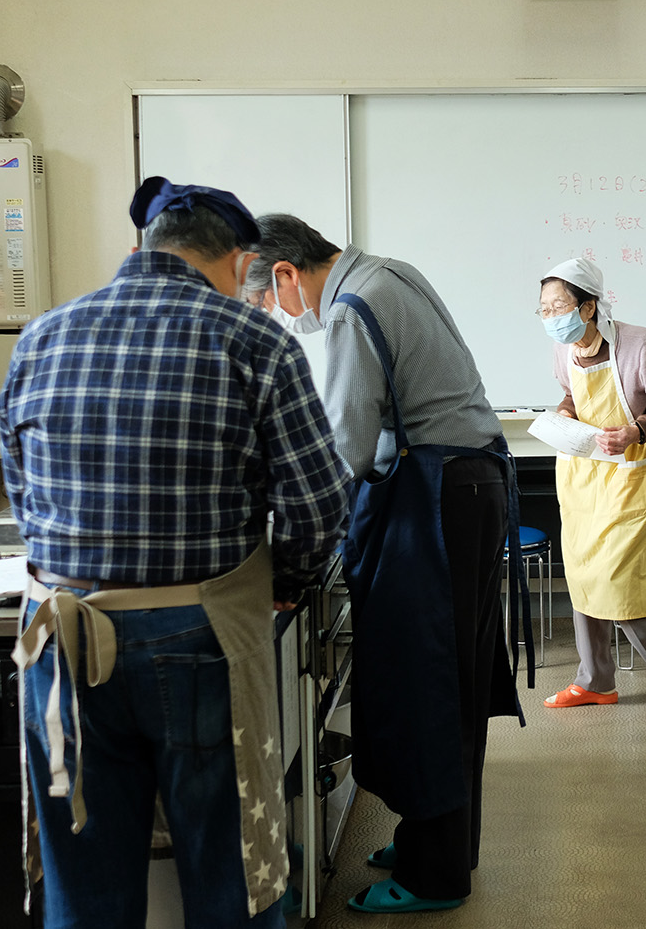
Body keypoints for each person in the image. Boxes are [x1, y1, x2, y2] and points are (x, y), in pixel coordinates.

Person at [0, 178, 350, 928]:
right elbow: (319, 504)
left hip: (61, 634)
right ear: (237, 262)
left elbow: (23, 495)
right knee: (231, 873)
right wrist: (285, 579)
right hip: (199, 637)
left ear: (139, 250)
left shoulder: (41, 335)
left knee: (84, 885)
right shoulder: (254, 341)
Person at [243, 215, 525, 915]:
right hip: (465, 485)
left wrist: (293, 538)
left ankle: (437, 872)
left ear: (285, 273)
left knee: (428, 682)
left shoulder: (348, 308)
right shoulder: (388, 272)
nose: (278, 317)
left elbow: (346, 446)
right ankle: (442, 842)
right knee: (447, 677)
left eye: (264, 302)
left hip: (437, 497)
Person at [536, 258, 646, 719]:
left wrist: (634, 430)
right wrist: (565, 412)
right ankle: (595, 681)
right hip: (583, 474)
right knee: (585, 574)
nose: (551, 318)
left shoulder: (640, 343)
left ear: (588, 307)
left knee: (620, 578)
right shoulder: (564, 350)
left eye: (558, 307)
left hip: (632, 469)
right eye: (543, 310)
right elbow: (573, 393)